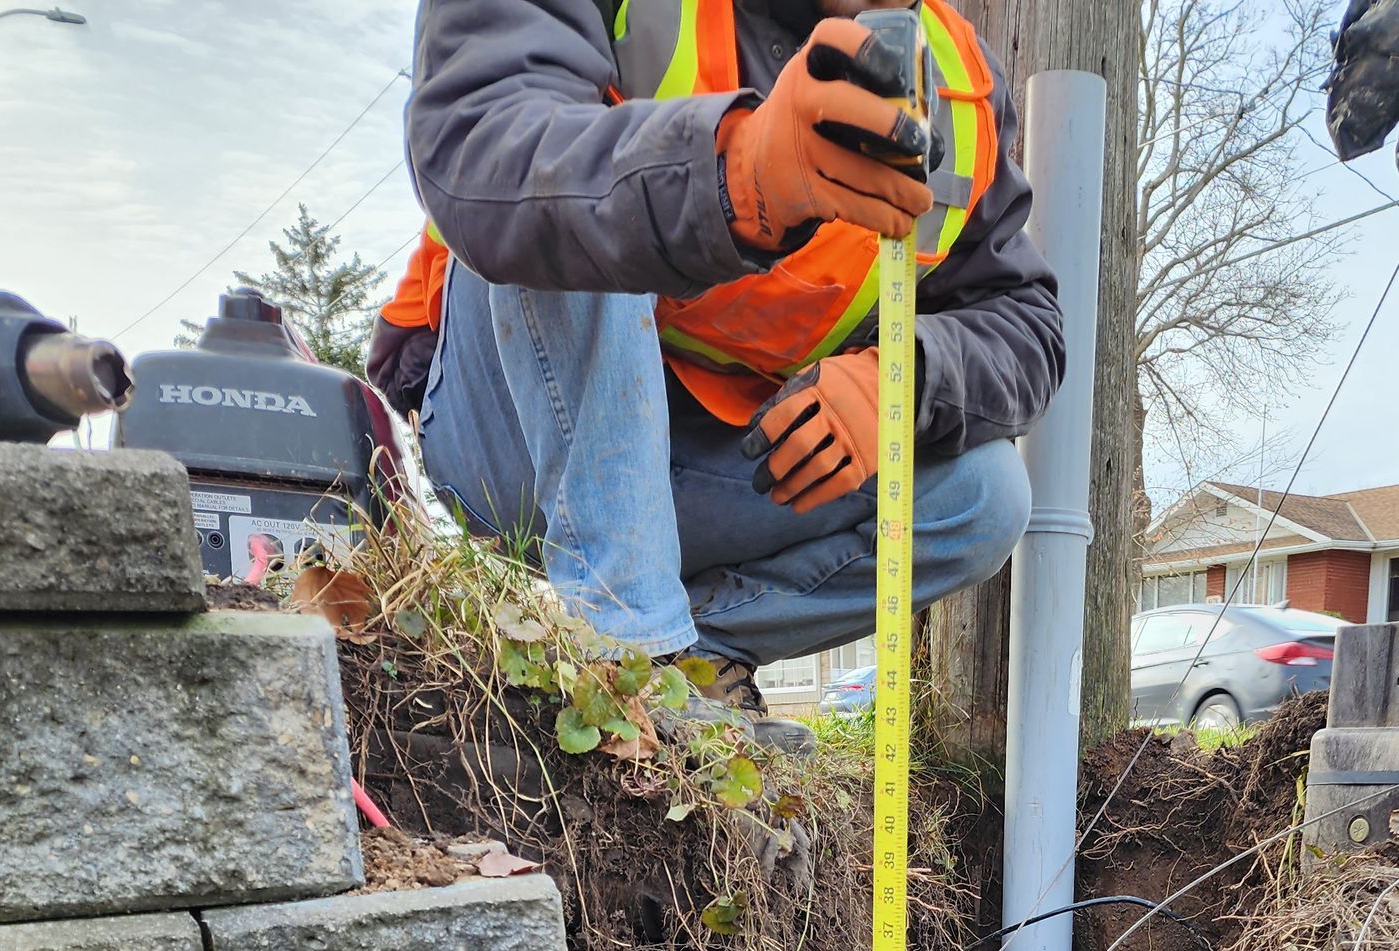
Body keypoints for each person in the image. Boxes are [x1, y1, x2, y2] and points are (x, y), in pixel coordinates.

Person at [371, 0, 1063, 747]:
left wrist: (900, 381)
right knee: (569, 198)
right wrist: (731, 174)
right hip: (507, 423)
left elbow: (1027, 323)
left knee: (985, 496)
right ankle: (626, 662)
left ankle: (695, 653)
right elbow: (484, 143)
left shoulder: (958, 83)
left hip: (711, 467)